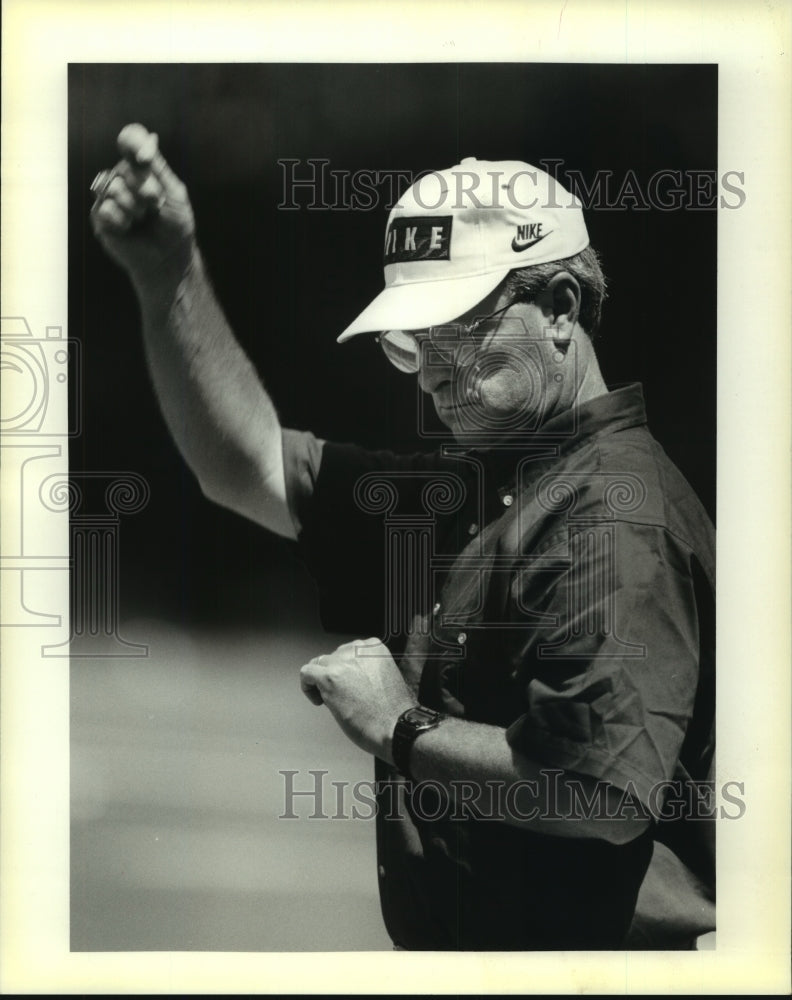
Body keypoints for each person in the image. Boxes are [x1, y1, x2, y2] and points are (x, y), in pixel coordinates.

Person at [91, 124, 716, 950]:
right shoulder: (476, 488)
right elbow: (244, 466)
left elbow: (600, 793)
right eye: (412, 341)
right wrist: (166, 272)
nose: (431, 369)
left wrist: (400, 725)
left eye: (455, 327)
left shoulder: (616, 517)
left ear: (561, 309)